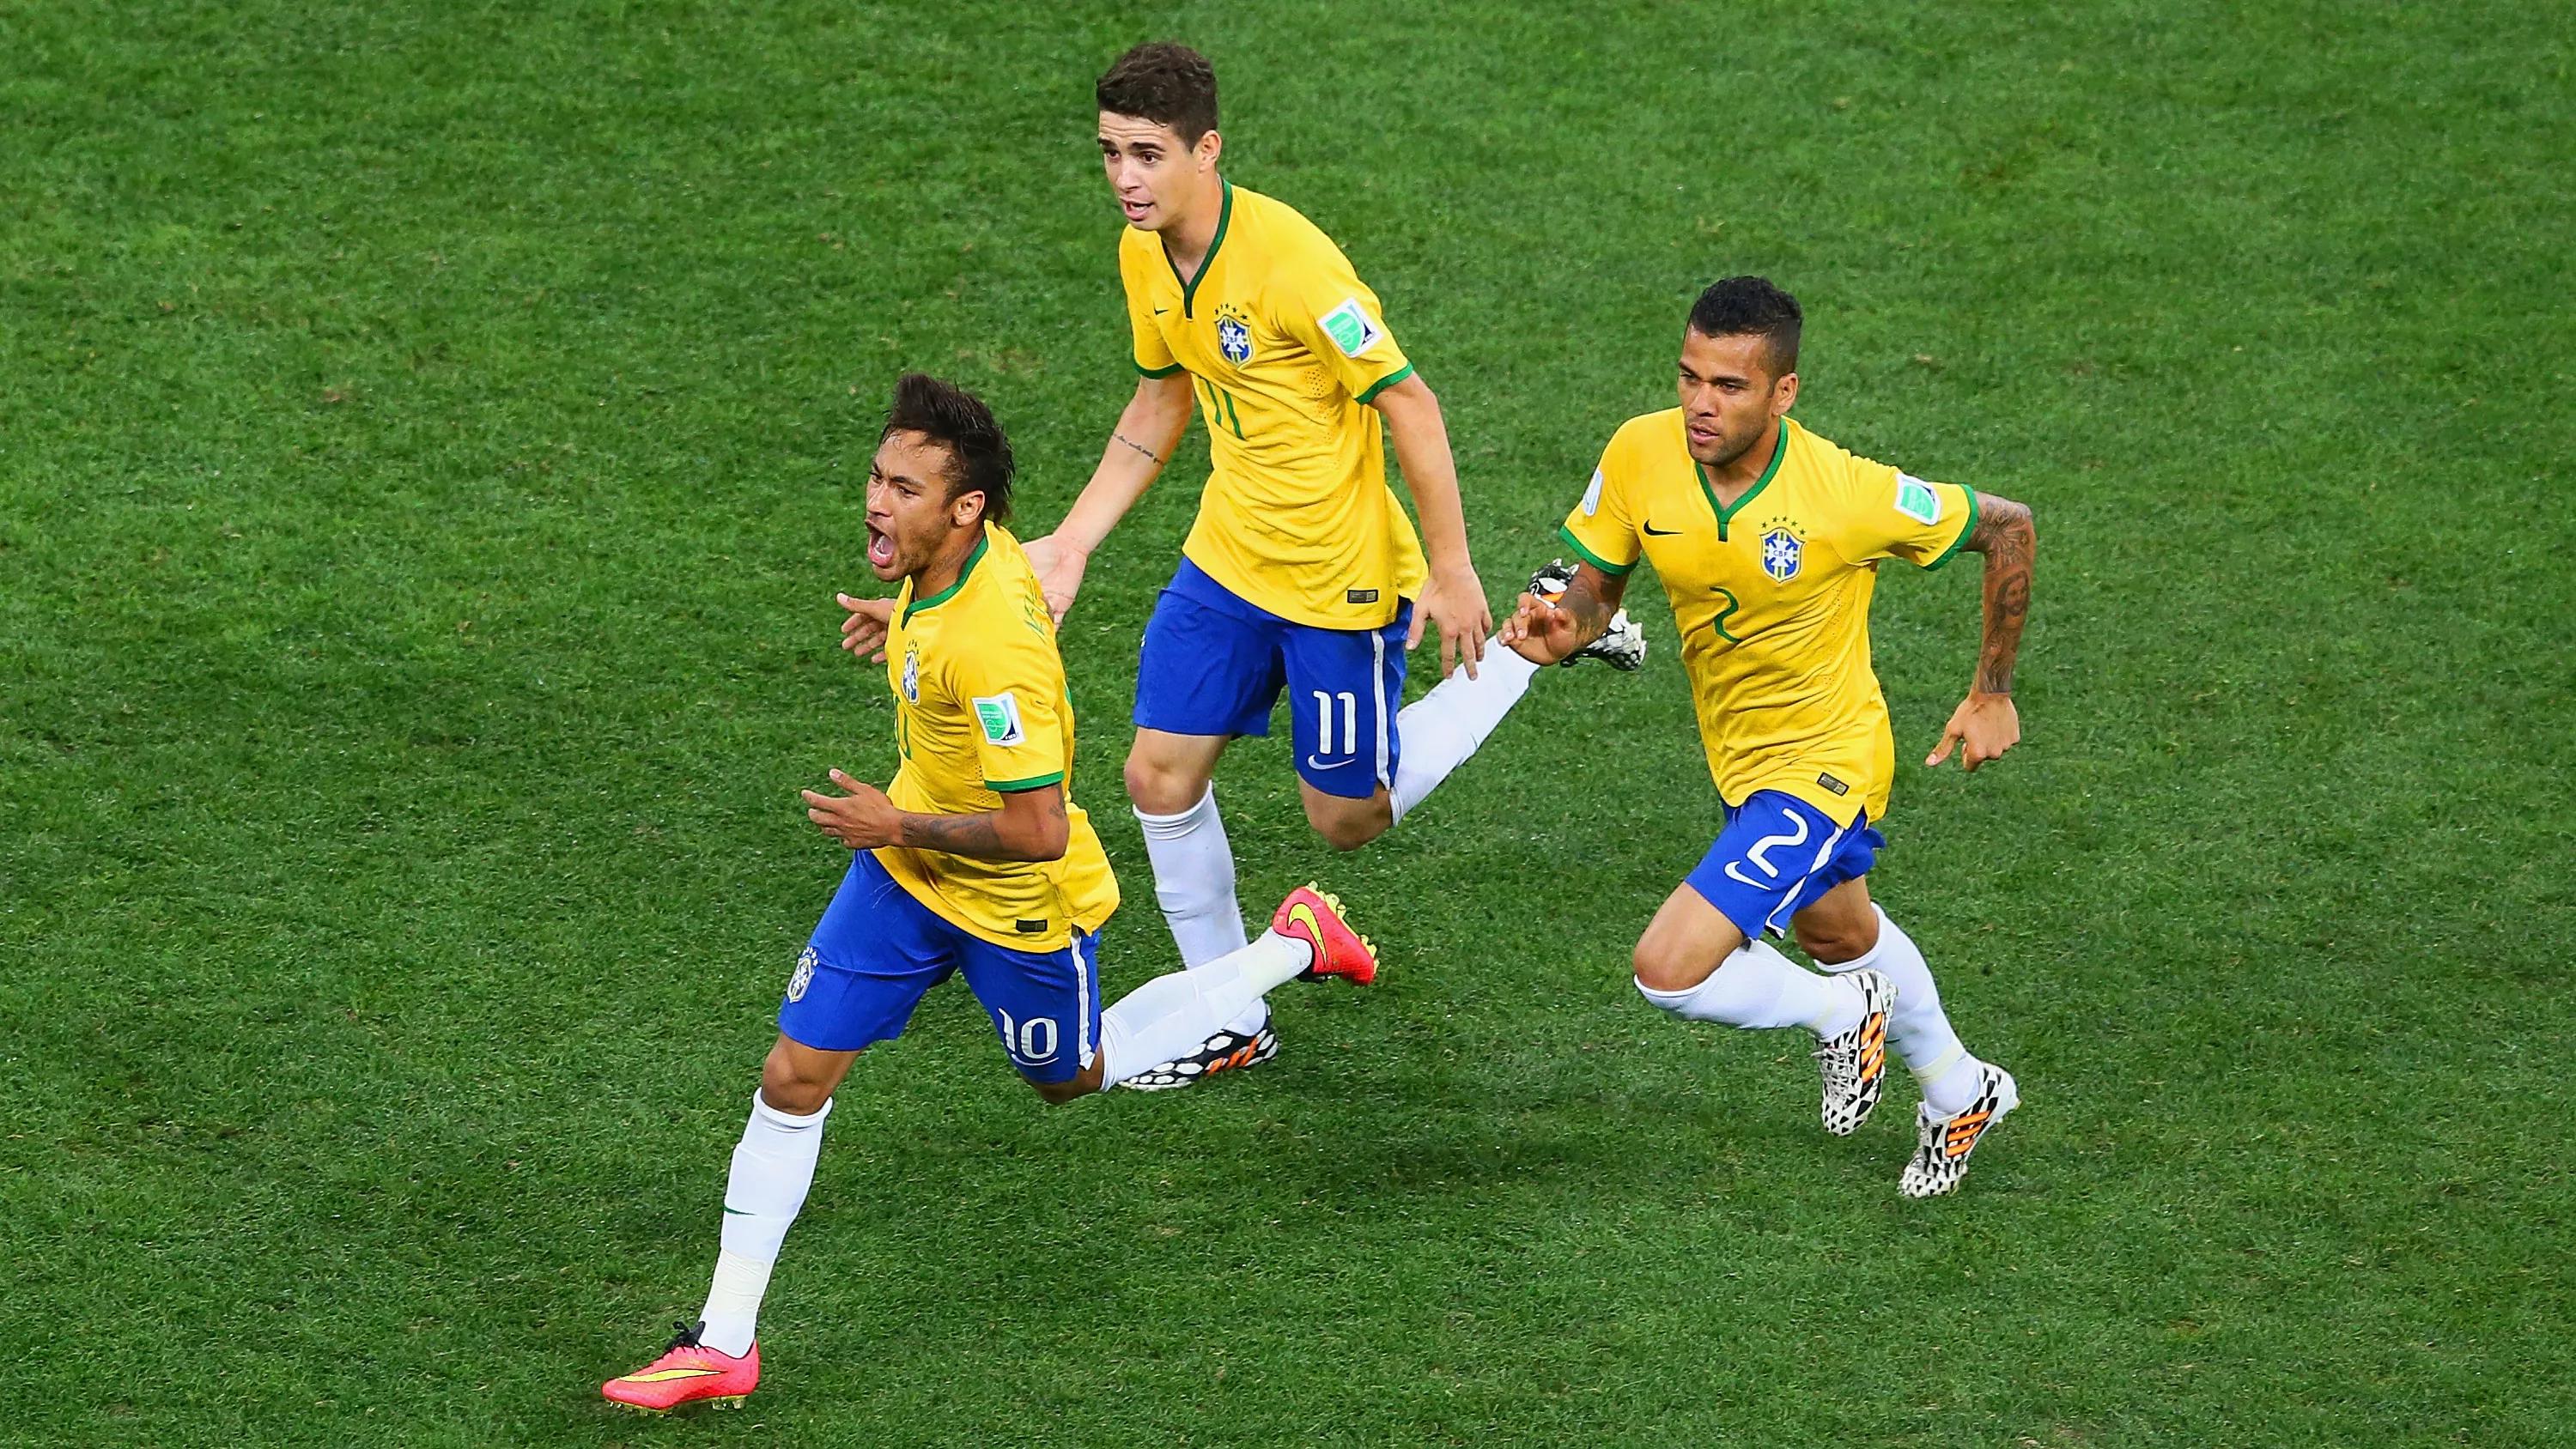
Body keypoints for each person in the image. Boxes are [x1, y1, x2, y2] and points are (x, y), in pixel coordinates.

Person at [601, 375, 1382, 1414]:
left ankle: (1292, 941)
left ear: (964, 508)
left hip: (1017, 898)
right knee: (794, 1073)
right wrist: (905, 623)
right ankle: (723, 1341)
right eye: (878, 478)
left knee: (1073, 1075)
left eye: (905, 488)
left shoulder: (995, 651)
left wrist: (895, 821)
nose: (878, 503)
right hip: (905, 874)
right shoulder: (948, 571)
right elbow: (952, 628)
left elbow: (1037, 828)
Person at [1022, 42, 1642, 1088]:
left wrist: (1448, 569)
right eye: (1110, 154)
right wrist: (1074, 541)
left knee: (1345, 818)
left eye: (1146, 154)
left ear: (1207, 150)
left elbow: (1411, 402)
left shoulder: (1294, 264)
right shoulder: (1144, 252)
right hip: (1228, 555)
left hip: (1339, 577)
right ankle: (1231, 1015)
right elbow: (1160, 395)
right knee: (1156, 776)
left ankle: (1536, 640)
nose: (1124, 178)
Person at [1498, 277, 2036, 1197]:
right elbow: (1598, 586)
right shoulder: (1638, 452)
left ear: (1783, 391)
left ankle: (1841, 1016)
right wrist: (1569, 627)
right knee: (1836, 928)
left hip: (1830, 760)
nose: (1702, 405)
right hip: (1739, 757)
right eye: (1690, 377)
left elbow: (2008, 526)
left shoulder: (1844, 492)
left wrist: (1991, 690)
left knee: (1667, 968)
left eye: (1731, 386)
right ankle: (1959, 1087)